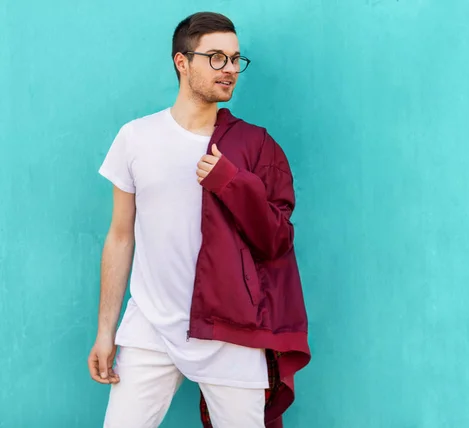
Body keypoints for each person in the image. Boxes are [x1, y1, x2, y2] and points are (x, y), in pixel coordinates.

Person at [87, 11, 310, 428]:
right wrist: (107, 331)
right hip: (150, 325)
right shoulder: (136, 138)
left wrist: (232, 181)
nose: (229, 70)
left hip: (231, 328)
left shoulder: (255, 146)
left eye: (235, 60)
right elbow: (120, 237)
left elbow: (277, 239)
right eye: (216, 58)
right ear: (182, 62)